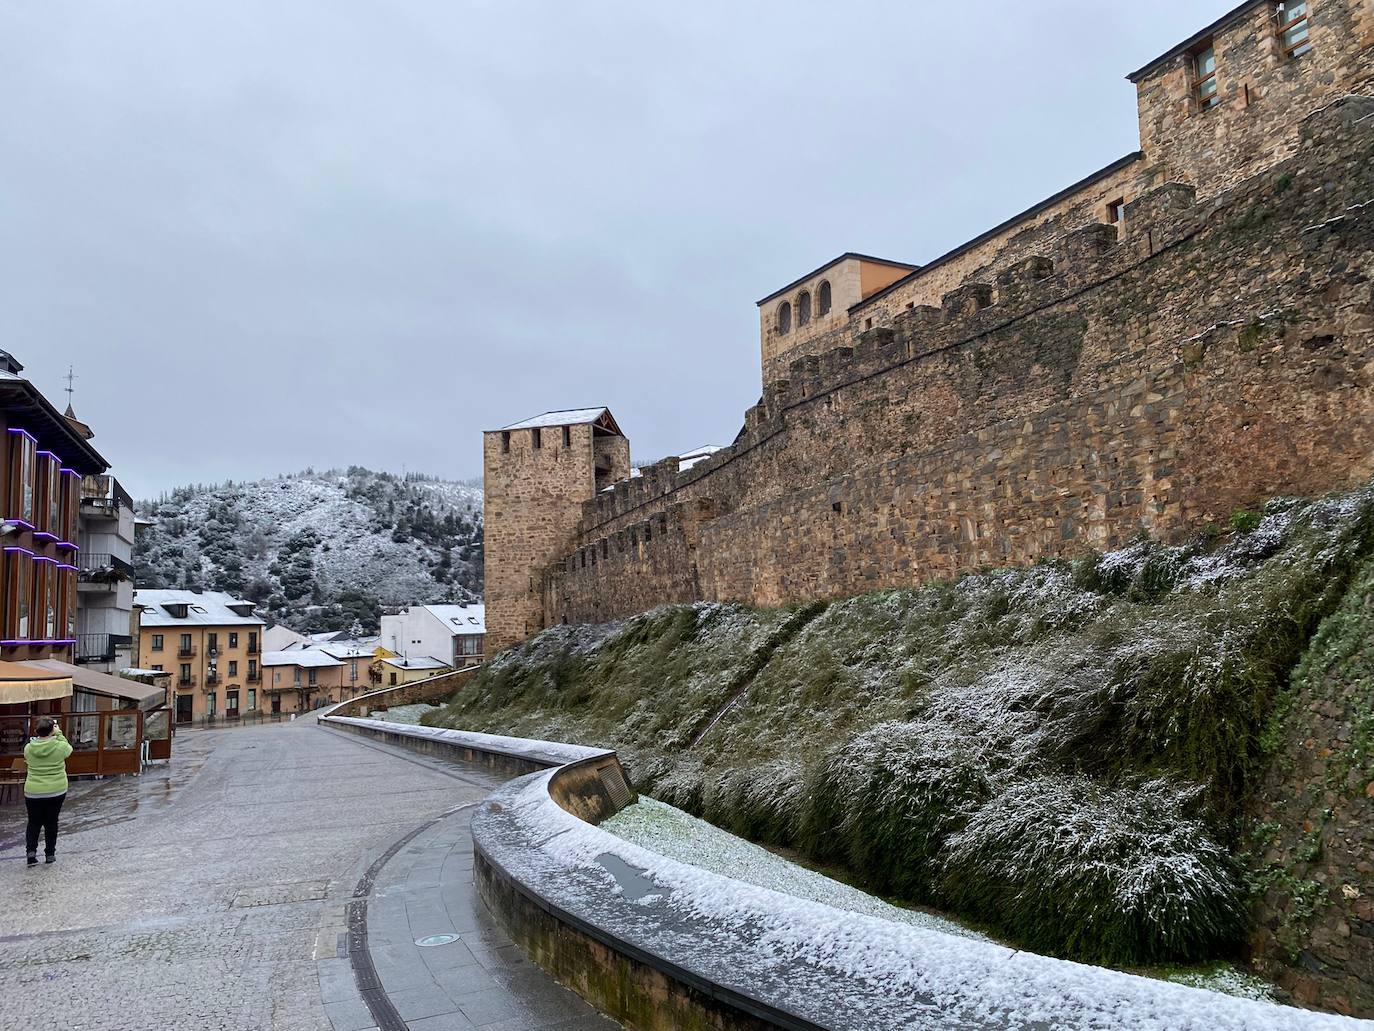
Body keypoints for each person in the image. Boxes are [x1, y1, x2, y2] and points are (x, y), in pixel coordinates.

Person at [24, 717, 73, 867]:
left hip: (33, 791)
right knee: (51, 822)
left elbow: (26, 759)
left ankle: (31, 852)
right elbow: (68, 749)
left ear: (36, 731)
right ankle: (50, 854)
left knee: (33, 822)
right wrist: (59, 734)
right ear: (53, 730)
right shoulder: (60, 746)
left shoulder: (28, 748)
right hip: (56, 790)